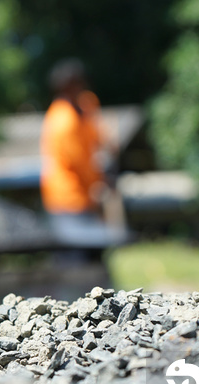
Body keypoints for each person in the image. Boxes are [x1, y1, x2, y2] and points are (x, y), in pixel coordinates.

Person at [40, 58, 122, 249]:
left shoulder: (86, 106)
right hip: (67, 199)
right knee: (78, 257)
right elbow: (78, 163)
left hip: (86, 197)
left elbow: (98, 135)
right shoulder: (63, 121)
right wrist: (101, 181)